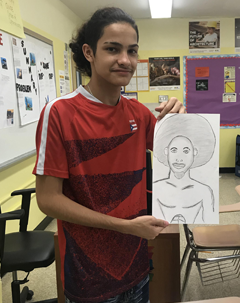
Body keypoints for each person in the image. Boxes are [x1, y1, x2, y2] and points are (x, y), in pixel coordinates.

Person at [33, 7, 185, 303]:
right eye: (113, 49)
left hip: (138, 263)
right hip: (89, 274)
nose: (125, 60)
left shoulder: (139, 114)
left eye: (132, 50)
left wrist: (184, 119)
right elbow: (48, 199)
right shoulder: (60, 113)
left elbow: (181, 156)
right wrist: (125, 226)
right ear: (89, 52)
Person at [153, 114, 215, 224]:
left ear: (194, 152)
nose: (179, 159)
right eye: (174, 150)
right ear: (166, 151)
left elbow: (209, 222)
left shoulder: (204, 191)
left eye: (186, 151)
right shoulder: (156, 188)